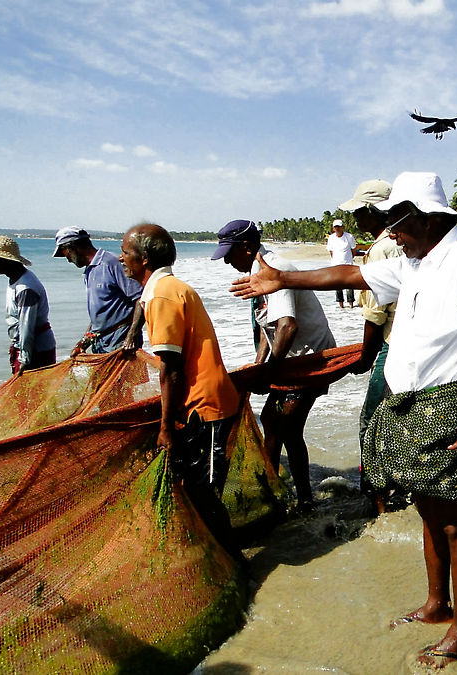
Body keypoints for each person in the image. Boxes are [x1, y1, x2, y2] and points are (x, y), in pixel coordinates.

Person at [231, 171, 457, 668]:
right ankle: (435, 603)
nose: (388, 235)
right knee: (427, 508)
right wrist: (283, 279)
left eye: (394, 223)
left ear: (423, 217)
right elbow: (349, 276)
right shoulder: (414, 262)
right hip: (408, 403)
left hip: (451, 403)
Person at [119, 224, 241, 553]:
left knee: (203, 494)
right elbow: (141, 305)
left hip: (207, 406)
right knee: (194, 487)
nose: (121, 258)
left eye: (126, 253)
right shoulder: (163, 288)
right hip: (201, 402)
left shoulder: (162, 294)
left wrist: (165, 429)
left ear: (143, 260)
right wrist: (134, 332)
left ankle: (233, 563)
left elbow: (170, 370)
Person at [212, 219, 335, 512]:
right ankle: (274, 489)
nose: (227, 262)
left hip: (310, 360)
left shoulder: (273, 270)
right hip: (294, 359)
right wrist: (258, 364)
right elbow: (271, 326)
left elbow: (287, 326)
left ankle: (300, 499)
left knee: (287, 427)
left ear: (247, 247)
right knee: (272, 421)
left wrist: (269, 372)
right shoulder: (258, 269)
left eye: (230, 254)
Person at [337, 179, 406, 512]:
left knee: (372, 421)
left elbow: (376, 314)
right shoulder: (403, 242)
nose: (356, 220)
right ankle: (401, 482)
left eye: (361, 212)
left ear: (375, 211)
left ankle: (375, 493)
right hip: (411, 343)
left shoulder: (380, 250)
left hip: (391, 344)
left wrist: (364, 358)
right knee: (400, 417)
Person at [52, 227, 142, 356]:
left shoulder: (111, 263)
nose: (68, 259)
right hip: (101, 342)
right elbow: (100, 315)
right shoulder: (89, 271)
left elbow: (140, 299)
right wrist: (84, 342)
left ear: (73, 248)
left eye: (65, 253)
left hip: (120, 342)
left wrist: (131, 335)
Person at [0, 236, 56, 375]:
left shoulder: (25, 288)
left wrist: (24, 359)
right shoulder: (17, 280)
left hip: (37, 350)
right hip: (28, 347)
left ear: (6, 260)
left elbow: (26, 326)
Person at [326, 219, 358, 308]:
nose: (337, 229)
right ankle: (341, 306)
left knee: (349, 285)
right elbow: (331, 252)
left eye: (339, 227)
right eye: (336, 227)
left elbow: (353, 250)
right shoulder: (331, 238)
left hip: (348, 264)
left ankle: (351, 305)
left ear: (343, 227)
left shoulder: (349, 237)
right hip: (336, 265)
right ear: (333, 228)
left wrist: (349, 259)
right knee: (338, 286)